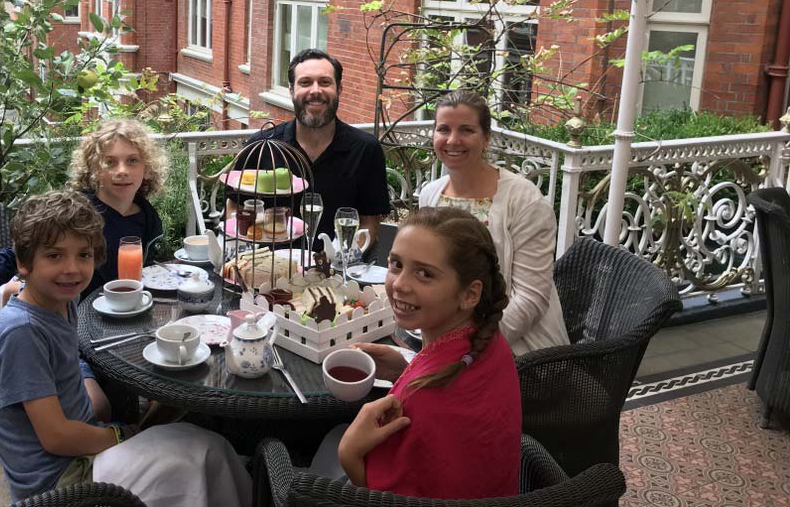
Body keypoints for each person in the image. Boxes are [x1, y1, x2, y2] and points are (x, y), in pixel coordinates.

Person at [0, 189, 251, 507]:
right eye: (54, 255)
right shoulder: (22, 333)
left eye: (83, 255)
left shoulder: (62, 300)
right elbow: (56, 437)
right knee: (200, 451)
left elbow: (64, 363)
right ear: (24, 263)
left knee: (199, 439)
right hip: (61, 483)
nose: (72, 269)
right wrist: (122, 434)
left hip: (84, 446)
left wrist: (100, 406)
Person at [0, 118, 167, 420]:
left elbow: (145, 271)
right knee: (99, 406)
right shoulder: (80, 212)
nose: (122, 170)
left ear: (146, 168)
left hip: (120, 323)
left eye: (132, 161)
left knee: (166, 382)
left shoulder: (147, 216)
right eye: (109, 162)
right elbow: (15, 254)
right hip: (71, 326)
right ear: (93, 169)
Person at [310, 206, 521, 499]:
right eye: (396, 264)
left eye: (424, 274)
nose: (399, 284)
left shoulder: (422, 399)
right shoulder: (490, 340)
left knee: (328, 442)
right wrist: (405, 369)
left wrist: (349, 453)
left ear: (470, 294)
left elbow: (387, 499)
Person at [418, 90, 569, 354]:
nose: (453, 140)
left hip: (519, 348)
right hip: (444, 339)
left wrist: (470, 347)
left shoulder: (524, 200)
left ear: (486, 138)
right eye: (444, 129)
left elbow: (531, 298)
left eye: (466, 130)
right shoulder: (431, 195)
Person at [241, 48, 391, 242]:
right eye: (305, 82)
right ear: (292, 91)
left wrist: (343, 259)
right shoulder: (261, 146)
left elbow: (369, 222)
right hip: (270, 267)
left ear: (339, 89)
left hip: (337, 268)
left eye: (325, 82)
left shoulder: (366, 149)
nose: (315, 91)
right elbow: (235, 207)